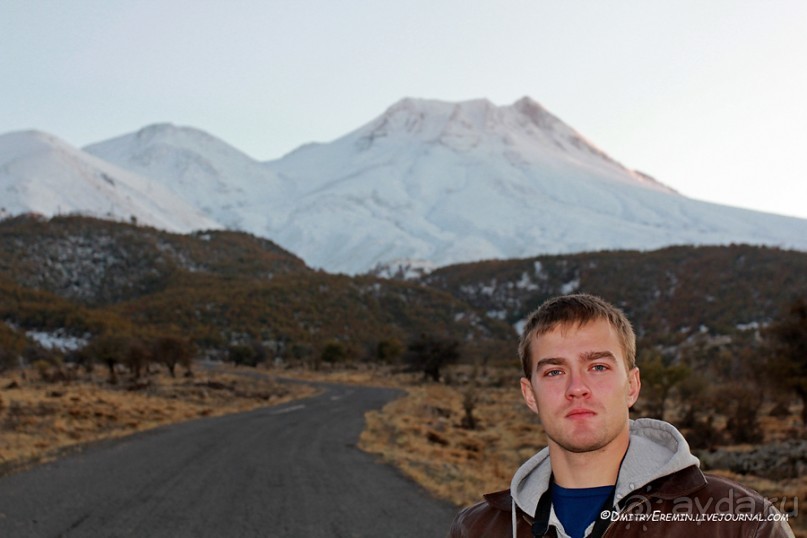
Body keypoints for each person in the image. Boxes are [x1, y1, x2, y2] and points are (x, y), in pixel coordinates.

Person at [448, 293, 794, 538]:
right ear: (529, 394)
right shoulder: (479, 528)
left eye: (597, 366)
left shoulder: (740, 523)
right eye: (554, 371)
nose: (577, 387)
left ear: (632, 385)